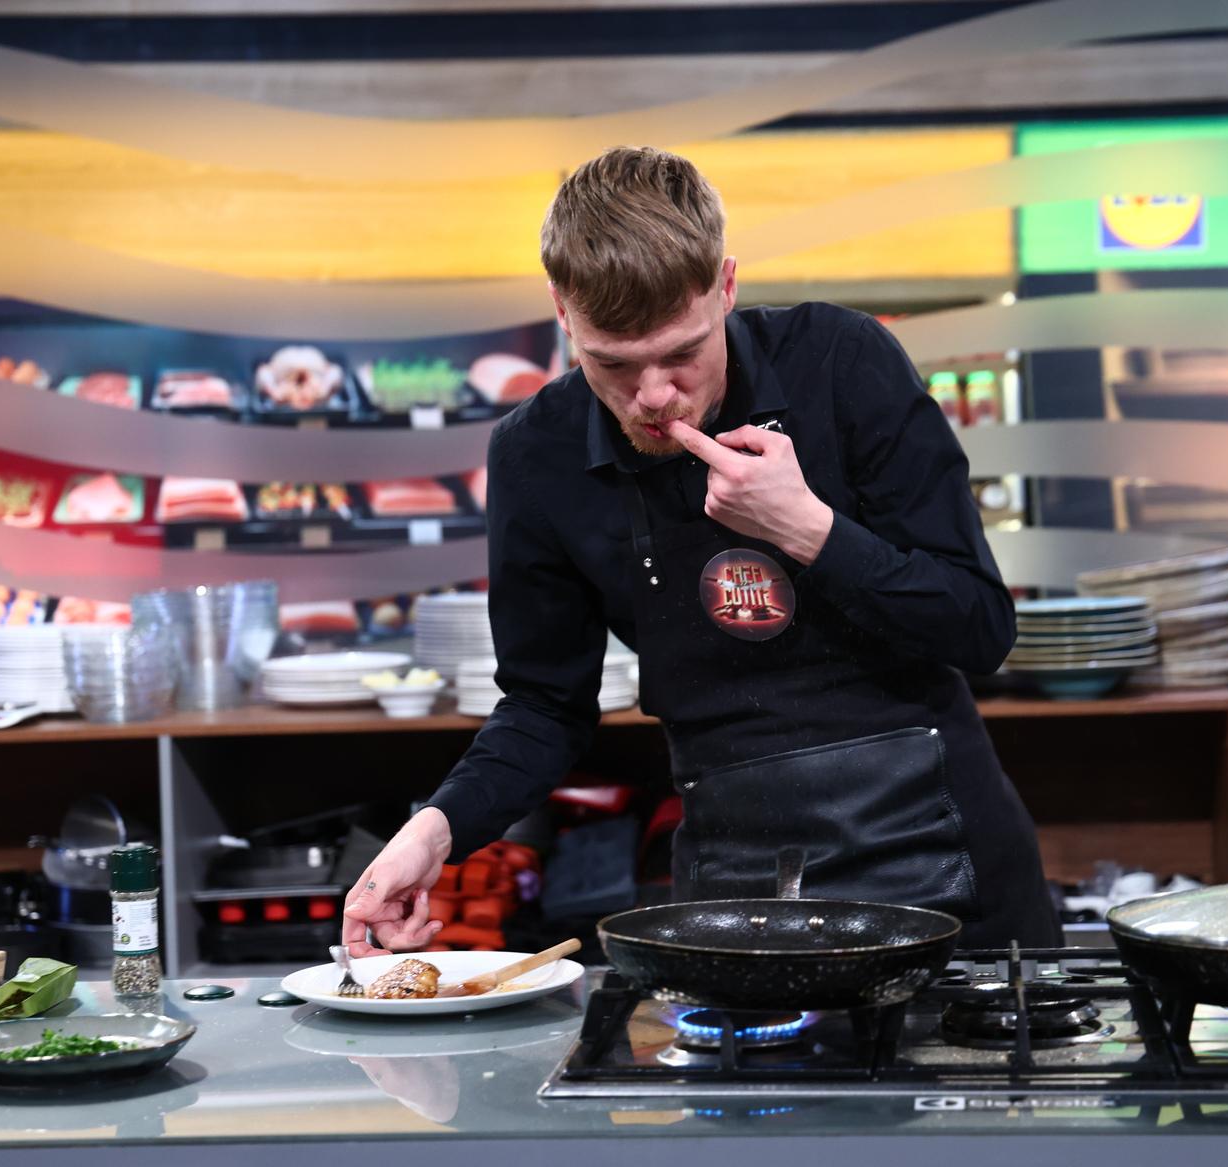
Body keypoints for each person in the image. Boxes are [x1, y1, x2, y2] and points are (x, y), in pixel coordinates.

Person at [343, 145, 1060, 955]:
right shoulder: (536, 453)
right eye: (613, 364)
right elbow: (545, 706)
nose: (653, 396)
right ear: (562, 311)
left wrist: (807, 527)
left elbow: (980, 627)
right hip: (734, 885)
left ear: (725, 286)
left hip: (945, 867)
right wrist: (434, 831)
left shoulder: (839, 361)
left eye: (682, 353)